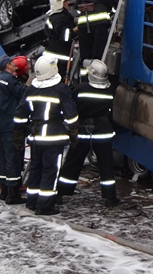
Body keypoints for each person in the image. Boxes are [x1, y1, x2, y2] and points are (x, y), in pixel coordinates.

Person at [14, 55, 79, 216]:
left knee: (36, 169)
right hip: (53, 138)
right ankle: (45, 206)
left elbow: (20, 113)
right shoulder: (61, 89)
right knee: (51, 171)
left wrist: (17, 133)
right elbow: (71, 115)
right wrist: (73, 133)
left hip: (36, 137)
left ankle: (32, 201)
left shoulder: (31, 89)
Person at [57, 59, 120, 207]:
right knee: (106, 166)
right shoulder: (110, 90)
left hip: (83, 132)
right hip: (103, 132)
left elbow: (72, 108)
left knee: (72, 163)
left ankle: (61, 193)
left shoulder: (81, 89)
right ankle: (110, 197)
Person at [0, 54, 31, 204]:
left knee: (4, 158)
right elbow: (24, 94)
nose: (13, 63)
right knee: (13, 159)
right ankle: (13, 195)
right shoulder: (10, 80)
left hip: (0, 124)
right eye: (10, 62)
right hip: (10, 125)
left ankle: (4, 191)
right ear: (7, 66)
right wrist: (30, 81)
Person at [77, 0, 119, 70]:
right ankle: (95, 78)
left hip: (83, 22)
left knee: (85, 55)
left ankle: (84, 79)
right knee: (98, 53)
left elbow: (77, 5)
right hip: (100, 21)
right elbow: (116, 4)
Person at [44, 0, 77, 79]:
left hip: (57, 55)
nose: (68, 3)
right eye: (65, 1)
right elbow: (65, 36)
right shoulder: (58, 18)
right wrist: (76, 29)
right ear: (59, 3)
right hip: (58, 57)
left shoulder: (59, 16)